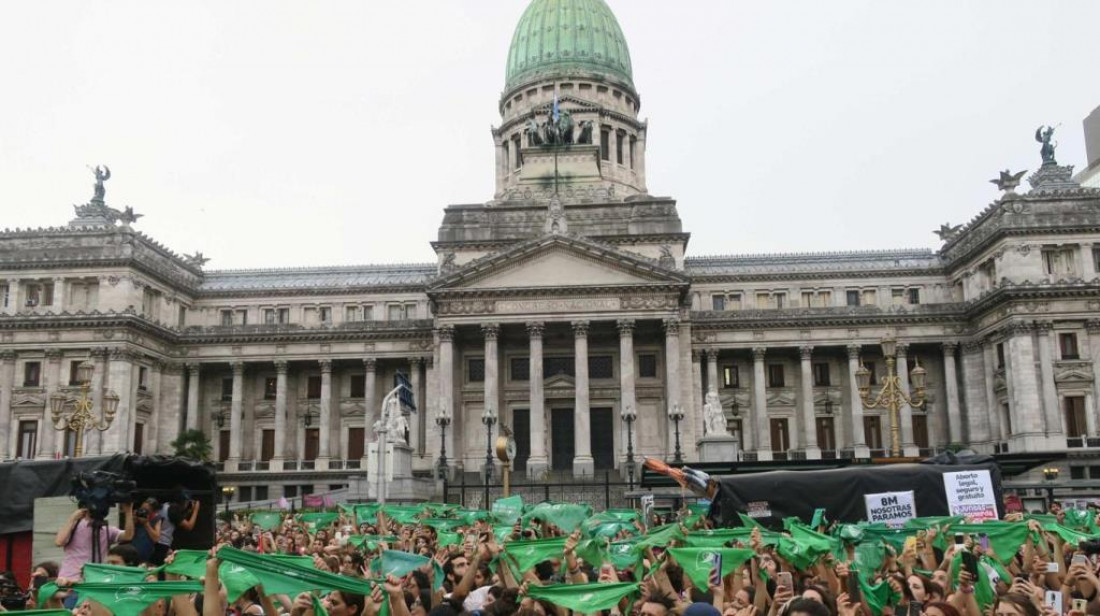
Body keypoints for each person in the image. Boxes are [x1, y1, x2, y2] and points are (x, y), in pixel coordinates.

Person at [54, 502, 135, 583]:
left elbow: (128, 536)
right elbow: (59, 542)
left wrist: (128, 512)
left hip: (96, 579)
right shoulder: (74, 526)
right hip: (70, 578)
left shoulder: (107, 530)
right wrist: (72, 518)